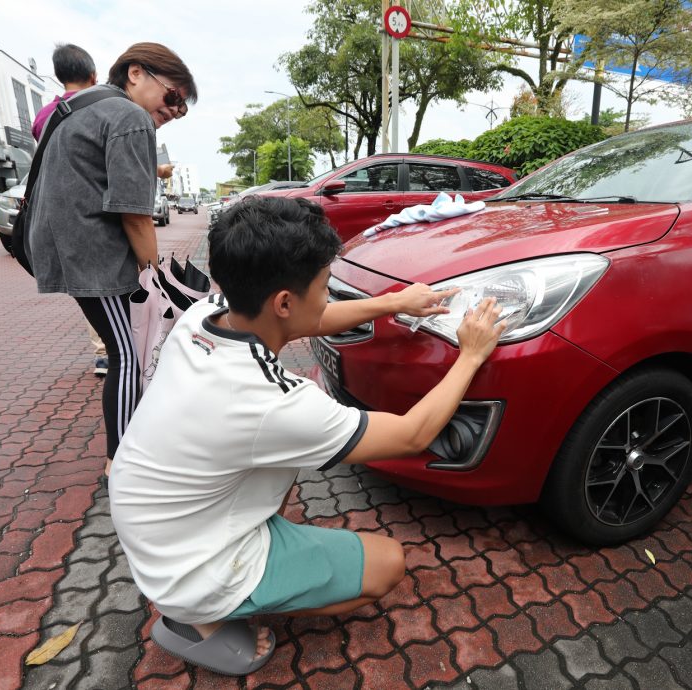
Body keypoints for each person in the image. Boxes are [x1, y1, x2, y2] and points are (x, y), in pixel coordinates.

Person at [108, 196, 505, 676]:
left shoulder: (206, 315)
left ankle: (217, 588)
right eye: (325, 285)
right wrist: (471, 354)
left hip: (153, 519)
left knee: (280, 471)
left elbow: (308, 317)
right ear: (283, 301)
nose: (329, 295)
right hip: (188, 566)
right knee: (388, 564)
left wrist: (396, 303)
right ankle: (205, 616)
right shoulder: (273, 403)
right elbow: (410, 435)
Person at [27, 42, 197, 476]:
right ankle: (120, 464)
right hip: (96, 254)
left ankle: (132, 447)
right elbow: (136, 216)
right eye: (173, 96)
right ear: (136, 73)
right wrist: (155, 279)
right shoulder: (130, 117)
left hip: (69, 248)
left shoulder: (84, 108)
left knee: (127, 350)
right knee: (129, 354)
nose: (174, 111)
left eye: (182, 108)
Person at [31, 44, 112, 377]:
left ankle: (104, 352)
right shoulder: (99, 108)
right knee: (106, 285)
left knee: (88, 289)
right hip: (95, 212)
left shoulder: (43, 116)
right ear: (94, 76)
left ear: (58, 76)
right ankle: (113, 349)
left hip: (56, 216)